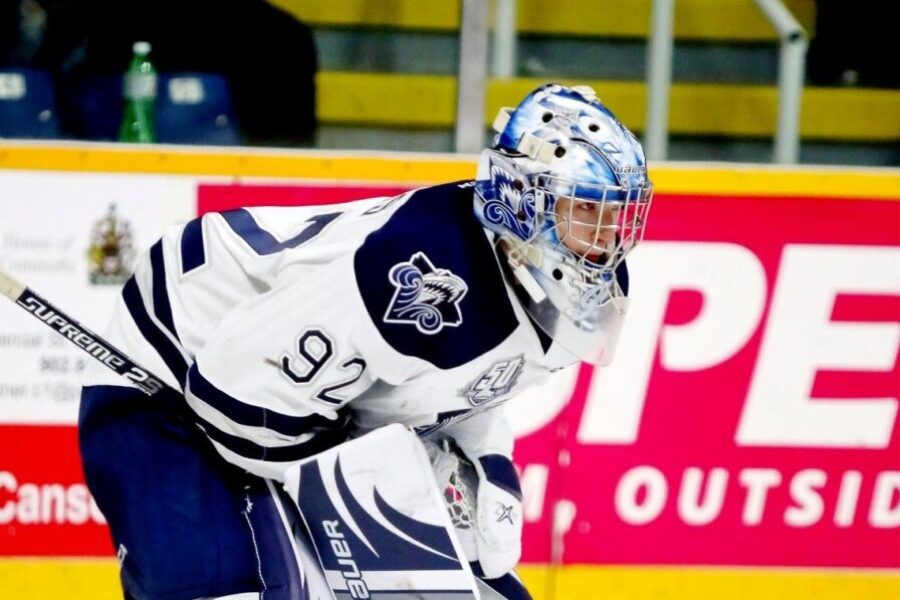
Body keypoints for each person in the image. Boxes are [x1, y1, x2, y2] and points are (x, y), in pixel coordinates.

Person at [78, 83, 653, 600]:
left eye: (618, 217)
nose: (607, 243)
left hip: (293, 403)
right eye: (587, 212)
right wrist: (359, 489)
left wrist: (484, 460)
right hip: (177, 357)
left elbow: (466, 386)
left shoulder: (574, 291)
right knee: (233, 585)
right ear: (523, 201)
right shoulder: (417, 275)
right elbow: (231, 394)